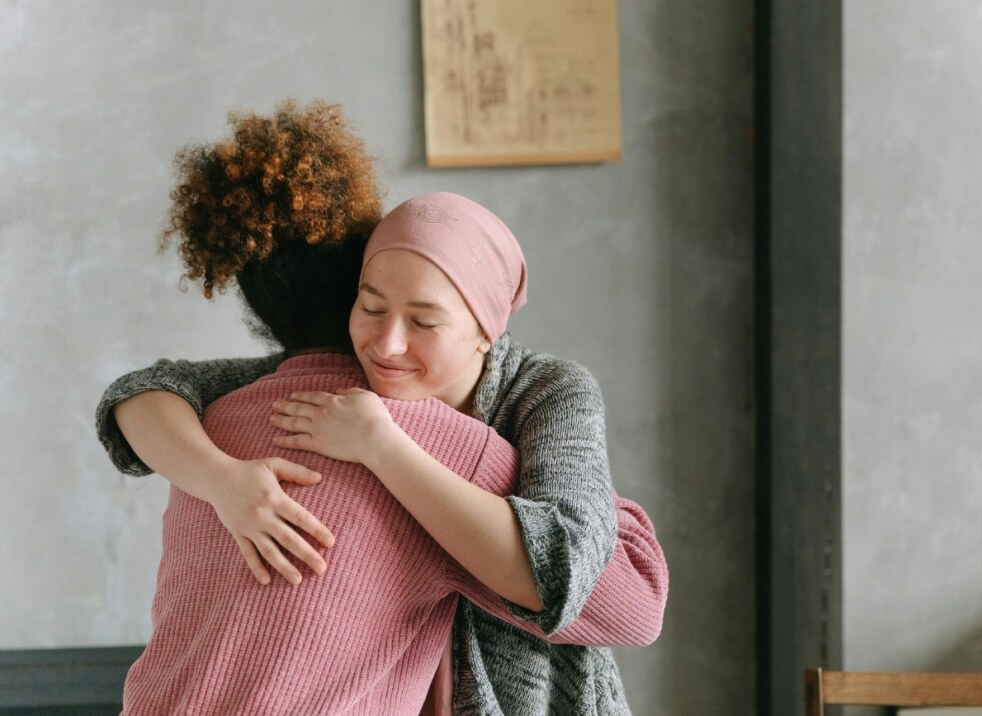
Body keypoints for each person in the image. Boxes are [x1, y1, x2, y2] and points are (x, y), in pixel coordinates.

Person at [97, 102, 667, 715]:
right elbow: (146, 389)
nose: (388, 344)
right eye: (370, 308)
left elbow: (601, 588)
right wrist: (224, 481)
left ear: (486, 331)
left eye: (424, 321)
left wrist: (384, 446)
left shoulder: (545, 394)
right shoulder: (318, 390)